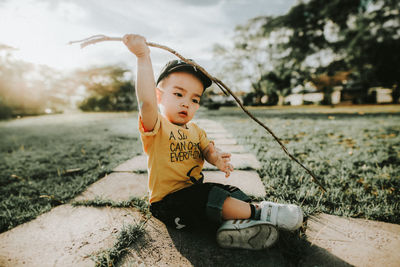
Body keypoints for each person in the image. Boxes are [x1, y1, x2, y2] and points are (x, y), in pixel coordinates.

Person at [123, 34, 303, 250]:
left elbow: (207, 150)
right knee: (208, 196)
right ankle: (261, 213)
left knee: (230, 191)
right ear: (159, 97)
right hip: (169, 205)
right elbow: (146, 103)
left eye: (194, 99)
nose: (186, 103)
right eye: (179, 94)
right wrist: (143, 56)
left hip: (196, 193)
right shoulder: (157, 126)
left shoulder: (196, 130)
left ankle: (237, 226)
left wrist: (216, 158)